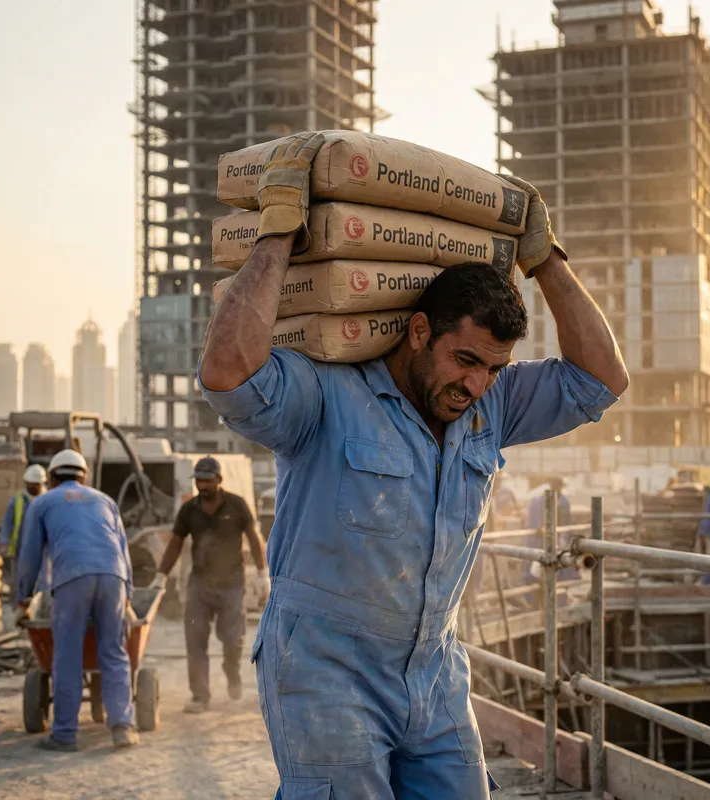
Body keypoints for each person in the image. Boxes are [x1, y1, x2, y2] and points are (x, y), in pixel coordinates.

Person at [198, 132, 629, 799]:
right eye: (466, 361)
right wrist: (279, 228)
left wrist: (546, 260)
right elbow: (226, 370)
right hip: (324, 675)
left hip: (433, 674)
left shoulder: (493, 405)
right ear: (421, 332)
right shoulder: (327, 392)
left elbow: (602, 378)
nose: (478, 384)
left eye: (495, 368)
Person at [15, 449, 137, 751]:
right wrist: (129, 598)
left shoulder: (43, 502)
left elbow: (29, 557)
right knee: (114, 651)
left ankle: (65, 734)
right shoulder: (105, 500)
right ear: (84, 476)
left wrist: (23, 599)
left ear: (53, 477)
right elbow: (123, 548)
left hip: (73, 577)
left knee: (67, 656)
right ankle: (123, 727)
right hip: (114, 577)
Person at [150, 456, 268, 714]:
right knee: (195, 638)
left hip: (232, 585)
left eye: (207, 480)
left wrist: (262, 574)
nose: (203, 485)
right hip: (200, 585)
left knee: (233, 639)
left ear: (219, 480)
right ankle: (200, 696)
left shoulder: (236, 505)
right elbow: (176, 543)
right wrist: (161, 575)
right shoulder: (190, 510)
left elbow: (254, 538)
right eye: (199, 481)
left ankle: (232, 671)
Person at [0, 463, 46, 608]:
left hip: (40, 547)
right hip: (20, 546)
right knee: (18, 580)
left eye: (36, 484)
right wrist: (4, 541)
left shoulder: (47, 499)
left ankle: (36, 608)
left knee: (40, 579)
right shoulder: (18, 499)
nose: (34, 487)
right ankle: (17, 608)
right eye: (31, 484)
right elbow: (8, 521)